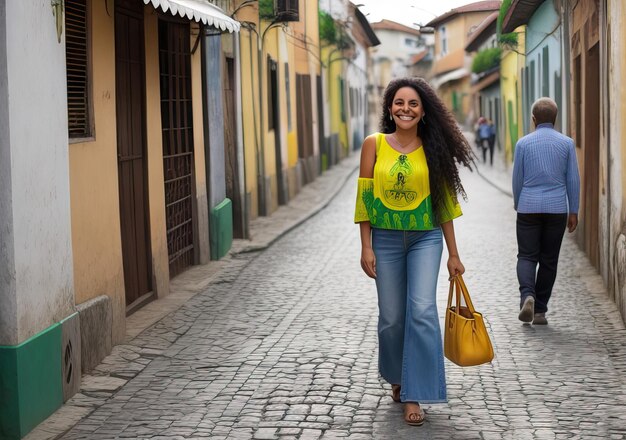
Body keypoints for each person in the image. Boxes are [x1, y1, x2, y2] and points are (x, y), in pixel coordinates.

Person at [353, 77, 473, 426]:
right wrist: (366, 245)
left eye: (413, 104)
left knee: (421, 310)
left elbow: (445, 204)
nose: (406, 109)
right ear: (390, 108)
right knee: (391, 318)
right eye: (399, 103)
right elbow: (365, 198)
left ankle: (413, 393)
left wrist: (453, 253)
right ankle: (397, 376)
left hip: (426, 238)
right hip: (386, 240)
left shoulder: (433, 147)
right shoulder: (373, 145)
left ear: (423, 112)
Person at [512, 97, 580, 325]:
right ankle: (540, 310)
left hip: (528, 207)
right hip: (557, 209)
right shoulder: (567, 143)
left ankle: (527, 296)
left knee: (526, 256)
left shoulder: (523, 144)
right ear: (555, 118)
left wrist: (518, 202)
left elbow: (517, 179)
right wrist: (574, 210)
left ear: (533, 120)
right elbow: (573, 179)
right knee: (549, 260)